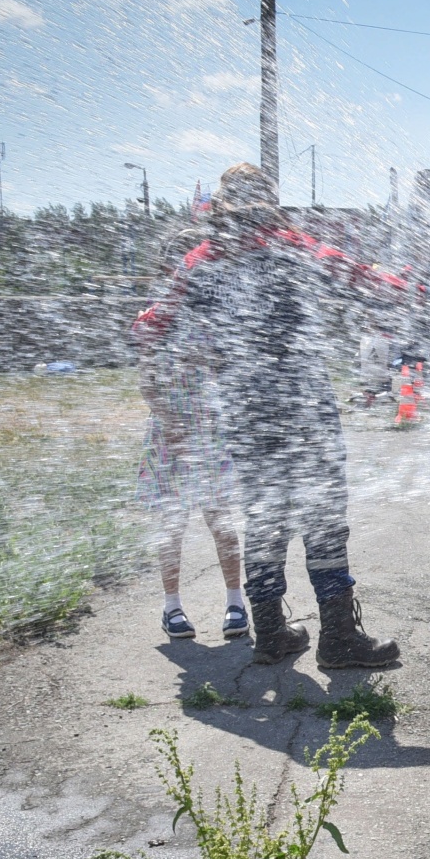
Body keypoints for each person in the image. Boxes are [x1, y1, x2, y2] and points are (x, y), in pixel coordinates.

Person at [176, 163, 405, 670]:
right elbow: (369, 282)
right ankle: (339, 638)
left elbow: (158, 328)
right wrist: (428, 294)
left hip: (245, 412)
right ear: (268, 201)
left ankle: (272, 633)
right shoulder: (292, 245)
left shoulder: (198, 263)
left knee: (265, 520)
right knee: (323, 522)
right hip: (304, 409)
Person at [132, 230, 246, 642]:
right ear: (171, 269)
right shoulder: (155, 318)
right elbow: (147, 381)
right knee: (171, 524)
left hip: (212, 431)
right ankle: (172, 606)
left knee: (222, 522)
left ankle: (236, 602)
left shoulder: (217, 317)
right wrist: (173, 426)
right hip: (169, 435)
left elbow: (230, 372)